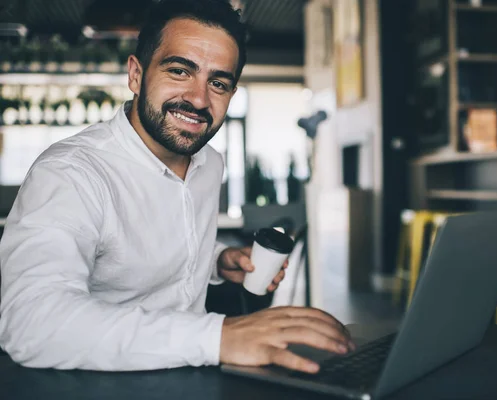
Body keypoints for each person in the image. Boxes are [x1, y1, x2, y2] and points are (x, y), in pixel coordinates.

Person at [0, 0, 353, 374]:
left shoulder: (209, 162)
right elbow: (30, 322)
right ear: (136, 75)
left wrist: (217, 260)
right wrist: (218, 337)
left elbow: (151, 236)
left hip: (190, 377)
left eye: (218, 82)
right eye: (180, 71)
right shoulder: (71, 173)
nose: (199, 99)